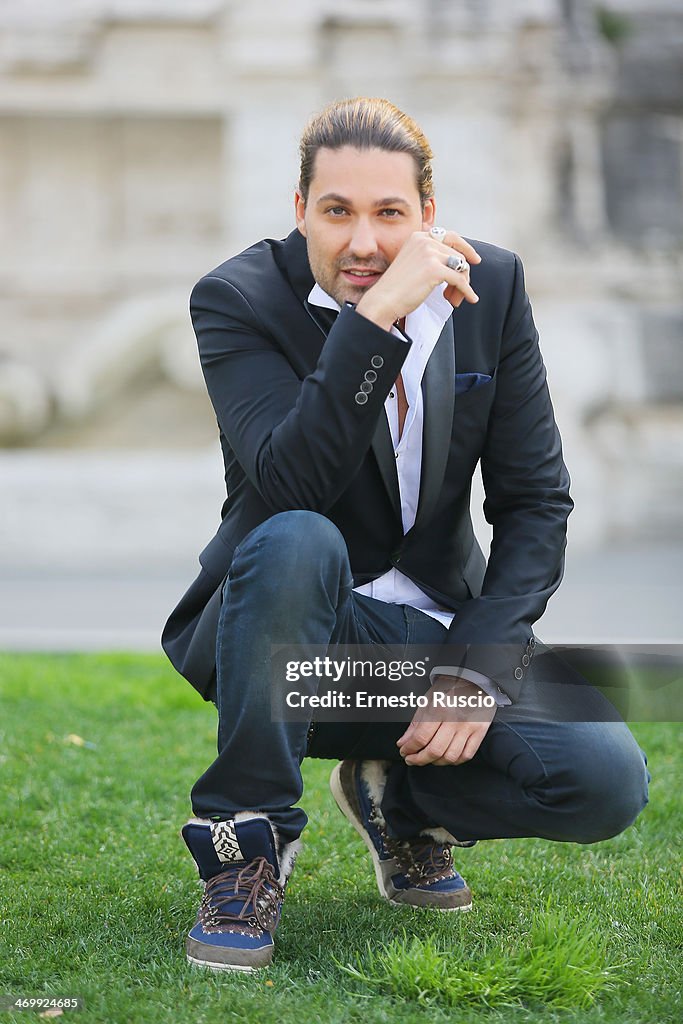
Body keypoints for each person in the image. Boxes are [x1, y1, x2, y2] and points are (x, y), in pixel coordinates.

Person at [162, 97, 649, 973]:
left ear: (428, 213)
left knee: (605, 780)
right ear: (299, 210)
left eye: (389, 213)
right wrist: (372, 322)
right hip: (281, 633)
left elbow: (535, 502)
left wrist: (477, 664)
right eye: (336, 211)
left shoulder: (489, 287)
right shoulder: (238, 301)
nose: (362, 242)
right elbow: (286, 485)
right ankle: (247, 850)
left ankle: (405, 800)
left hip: (430, 632)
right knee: (299, 535)